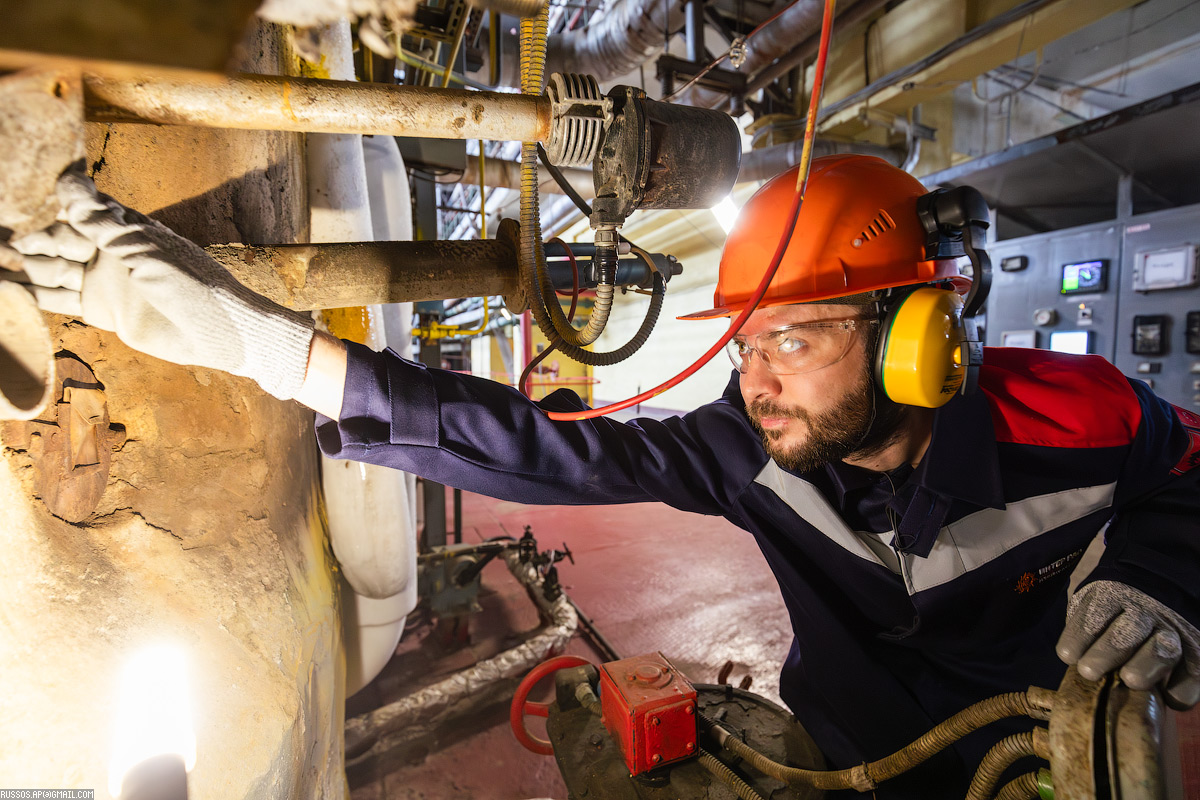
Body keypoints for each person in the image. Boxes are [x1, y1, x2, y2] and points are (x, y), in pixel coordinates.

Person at [5, 157, 1199, 798]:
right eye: (745, 344)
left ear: (917, 338)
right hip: (842, 755)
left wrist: (1158, 574)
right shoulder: (751, 446)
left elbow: (1191, 476)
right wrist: (251, 342)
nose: (757, 378)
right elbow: (548, 446)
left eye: (792, 335)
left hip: (1044, 765)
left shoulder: (1079, 417)